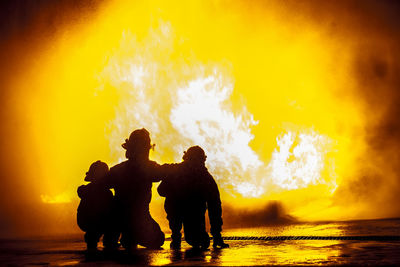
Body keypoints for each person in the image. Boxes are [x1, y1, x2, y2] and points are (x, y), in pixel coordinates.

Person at [158, 146, 229, 249]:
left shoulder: (205, 178)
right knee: (173, 204)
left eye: (199, 161)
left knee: (199, 241)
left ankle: (183, 233)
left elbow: (214, 206)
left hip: (193, 214)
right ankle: (176, 234)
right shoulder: (176, 172)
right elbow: (161, 190)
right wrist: (176, 190)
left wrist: (217, 234)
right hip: (177, 211)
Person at [104, 128, 165, 249]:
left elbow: (103, 184)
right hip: (140, 217)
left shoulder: (117, 169)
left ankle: (120, 235)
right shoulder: (150, 168)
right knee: (158, 239)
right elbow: (163, 172)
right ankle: (128, 234)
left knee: (115, 234)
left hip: (119, 216)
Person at [77, 160, 115, 250]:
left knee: (93, 231)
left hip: (84, 221)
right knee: (113, 221)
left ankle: (92, 239)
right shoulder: (106, 193)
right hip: (97, 221)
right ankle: (108, 241)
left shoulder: (86, 190)